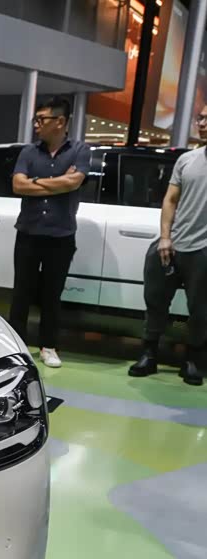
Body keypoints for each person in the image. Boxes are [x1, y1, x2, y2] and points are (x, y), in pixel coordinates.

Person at [9, 96, 91, 369]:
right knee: (21, 292)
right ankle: (17, 346)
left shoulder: (79, 150)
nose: (36, 125)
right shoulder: (28, 152)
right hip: (28, 232)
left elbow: (74, 182)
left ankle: (48, 346)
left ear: (60, 122)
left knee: (51, 294)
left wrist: (35, 182)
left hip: (61, 236)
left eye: (41, 119)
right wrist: (59, 182)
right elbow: (18, 186)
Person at [127, 107, 207, 386]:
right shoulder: (187, 159)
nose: (202, 123)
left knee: (201, 309)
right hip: (173, 243)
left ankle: (193, 359)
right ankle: (149, 354)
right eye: (200, 117)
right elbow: (170, 199)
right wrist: (164, 237)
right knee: (155, 300)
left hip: (203, 250)